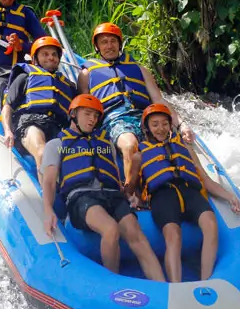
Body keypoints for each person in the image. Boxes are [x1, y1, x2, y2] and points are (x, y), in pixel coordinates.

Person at [41, 95, 166, 282]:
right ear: (74, 114)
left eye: (96, 116)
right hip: (81, 198)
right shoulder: (57, 144)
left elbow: (114, 174)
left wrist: (129, 195)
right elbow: (49, 181)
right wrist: (48, 210)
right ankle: (114, 285)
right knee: (110, 229)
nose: (92, 119)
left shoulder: (106, 143)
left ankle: (163, 287)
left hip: (112, 195)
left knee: (137, 236)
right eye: (87, 113)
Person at [126, 104, 240, 282]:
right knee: (173, 235)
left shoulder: (185, 149)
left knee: (210, 223)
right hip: (163, 196)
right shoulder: (139, 155)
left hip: (189, 192)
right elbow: (131, 185)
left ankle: (206, 281)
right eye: (155, 124)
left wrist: (230, 196)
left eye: (165, 123)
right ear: (147, 127)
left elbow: (206, 180)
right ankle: (176, 286)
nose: (160, 128)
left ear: (170, 125)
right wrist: (133, 197)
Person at [76, 22, 196, 190]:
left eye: (113, 41)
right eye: (104, 42)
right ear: (97, 47)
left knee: (172, 143)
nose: (109, 46)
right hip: (114, 118)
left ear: (119, 44)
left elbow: (158, 100)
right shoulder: (86, 73)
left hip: (144, 116)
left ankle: (186, 185)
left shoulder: (139, 69)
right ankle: (131, 192)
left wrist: (182, 124)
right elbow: (83, 106)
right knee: (130, 145)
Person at [1, 36, 76, 172]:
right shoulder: (25, 76)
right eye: (45, 54)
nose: (51, 57)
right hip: (30, 122)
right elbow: (7, 106)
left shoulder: (68, 86)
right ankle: (47, 193)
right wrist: (7, 131)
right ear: (35, 58)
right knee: (43, 153)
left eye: (54, 54)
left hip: (57, 127)